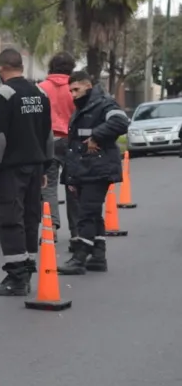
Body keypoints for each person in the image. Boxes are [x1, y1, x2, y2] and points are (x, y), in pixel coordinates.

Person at [0, 48, 54, 296]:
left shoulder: (3, 95)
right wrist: (45, 166)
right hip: (35, 166)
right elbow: (47, 134)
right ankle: (28, 269)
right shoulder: (40, 92)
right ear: (21, 66)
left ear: (1, 69)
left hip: (13, 169)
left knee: (10, 218)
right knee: (31, 218)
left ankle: (16, 277)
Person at [58, 71, 129, 275]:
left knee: (86, 214)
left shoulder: (104, 103)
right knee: (93, 213)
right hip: (86, 169)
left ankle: (79, 258)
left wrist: (96, 136)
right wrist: (70, 176)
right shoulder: (84, 107)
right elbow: (75, 145)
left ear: (88, 86)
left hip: (97, 169)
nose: (73, 94)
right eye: (70, 90)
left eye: (76, 89)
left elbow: (121, 122)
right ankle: (98, 256)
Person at [37, 52, 80, 249]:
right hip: (71, 140)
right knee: (73, 186)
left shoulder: (41, 89)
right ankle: (76, 231)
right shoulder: (76, 88)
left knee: (49, 186)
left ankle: (51, 226)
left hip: (49, 141)